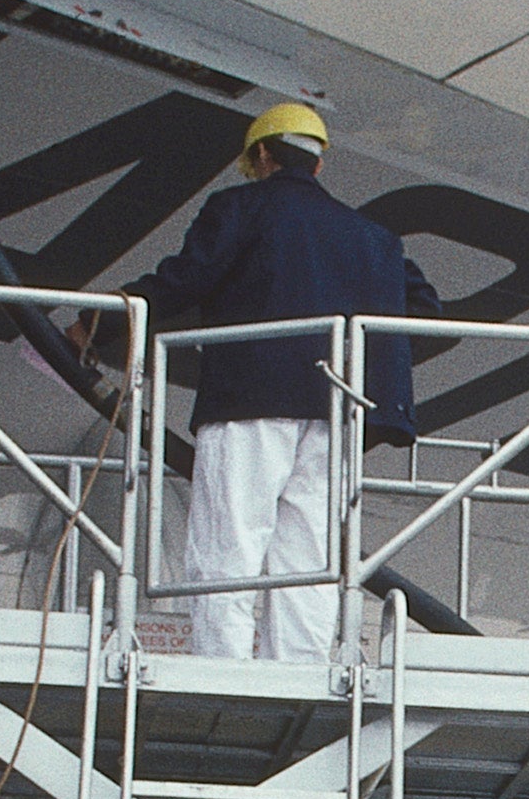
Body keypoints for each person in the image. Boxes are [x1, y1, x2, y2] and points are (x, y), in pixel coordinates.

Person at [110, 101, 436, 663]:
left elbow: (187, 278)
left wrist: (103, 320)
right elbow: (423, 309)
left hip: (249, 399)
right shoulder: (374, 237)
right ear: (318, 164)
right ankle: (301, 671)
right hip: (339, 409)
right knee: (308, 555)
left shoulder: (241, 208)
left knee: (229, 540)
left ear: (262, 154)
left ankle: (223, 668)